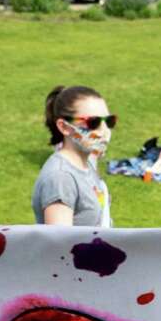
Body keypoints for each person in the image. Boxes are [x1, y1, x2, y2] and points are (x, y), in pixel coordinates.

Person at [33, 85, 114, 226]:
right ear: (64, 127)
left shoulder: (88, 161)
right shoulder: (61, 178)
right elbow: (60, 244)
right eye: (93, 123)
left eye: (109, 121)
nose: (104, 131)